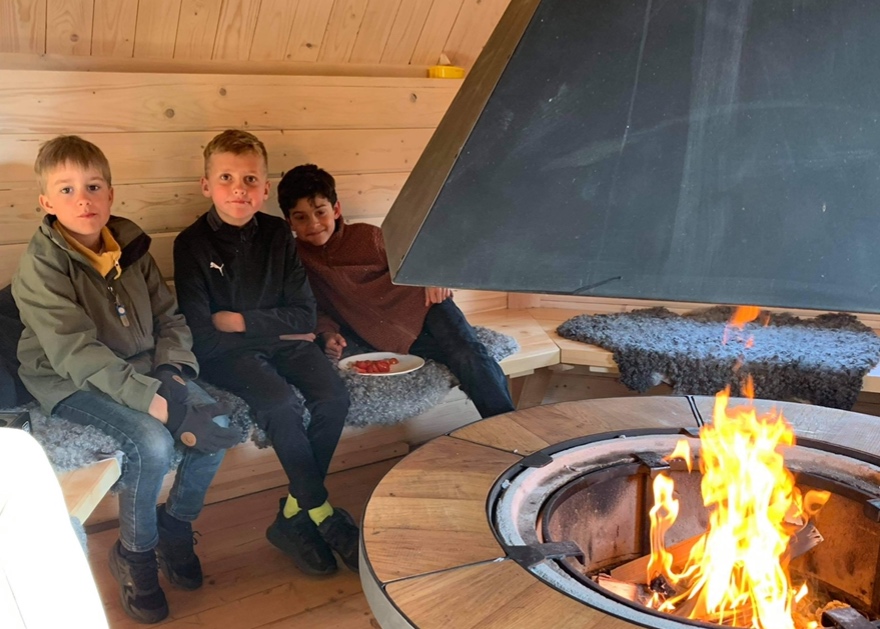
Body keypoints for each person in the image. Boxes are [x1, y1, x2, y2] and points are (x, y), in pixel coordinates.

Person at [12, 135, 239, 624]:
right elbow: (74, 352)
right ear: (47, 203)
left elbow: (169, 315)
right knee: (152, 444)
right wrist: (156, 404)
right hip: (68, 380)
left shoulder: (131, 245)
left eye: (93, 186)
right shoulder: (40, 266)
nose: (83, 199)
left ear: (111, 194)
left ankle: (175, 526)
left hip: (144, 365)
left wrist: (174, 374)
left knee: (214, 425)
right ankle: (134, 557)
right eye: (67, 190)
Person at [173, 130, 358, 577]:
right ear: (206, 185)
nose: (239, 188)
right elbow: (202, 332)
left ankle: (291, 516)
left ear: (265, 188)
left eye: (250, 179)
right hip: (228, 357)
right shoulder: (191, 244)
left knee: (334, 397)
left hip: (283, 345)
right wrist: (252, 326)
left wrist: (238, 319)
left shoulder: (278, 234)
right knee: (279, 404)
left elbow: (302, 316)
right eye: (226, 178)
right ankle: (320, 514)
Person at [277, 164, 516, 419]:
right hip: (392, 337)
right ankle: (512, 432)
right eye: (301, 217)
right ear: (289, 221)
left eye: (320, 212)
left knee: (468, 353)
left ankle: (511, 434)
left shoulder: (368, 237)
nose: (313, 224)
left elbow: (416, 253)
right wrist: (327, 332)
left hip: (428, 306)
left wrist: (432, 277)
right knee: (460, 362)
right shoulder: (297, 262)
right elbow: (315, 306)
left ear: (336, 210)